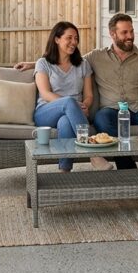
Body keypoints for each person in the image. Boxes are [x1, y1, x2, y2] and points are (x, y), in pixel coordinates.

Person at [17, 13, 138, 170]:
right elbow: (49, 81)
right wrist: (35, 64)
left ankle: (64, 172)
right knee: (94, 114)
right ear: (113, 34)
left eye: (131, 31)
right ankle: (105, 158)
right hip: (95, 110)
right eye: (124, 32)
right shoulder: (96, 56)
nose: (130, 36)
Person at [33, 21, 111, 172]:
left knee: (65, 122)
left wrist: (84, 106)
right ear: (57, 39)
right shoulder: (43, 63)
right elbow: (45, 93)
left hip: (74, 113)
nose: (74, 42)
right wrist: (73, 105)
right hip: (46, 112)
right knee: (69, 102)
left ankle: (64, 170)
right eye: (69, 38)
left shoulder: (82, 64)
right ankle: (93, 152)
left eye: (76, 38)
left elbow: (88, 95)